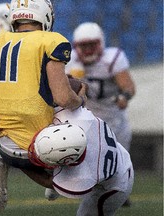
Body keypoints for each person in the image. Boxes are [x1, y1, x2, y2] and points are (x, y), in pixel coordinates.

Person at [0, 0, 87, 210]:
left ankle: (5, 159)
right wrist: (81, 98)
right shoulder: (52, 40)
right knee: (80, 118)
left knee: (28, 156)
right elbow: (64, 98)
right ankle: (56, 179)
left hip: (4, 142)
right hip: (38, 146)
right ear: (45, 15)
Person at [65, 22, 136, 206]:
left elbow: (128, 86)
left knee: (119, 160)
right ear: (76, 46)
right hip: (86, 116)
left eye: (91, 44)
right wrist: (73, 80)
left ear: (100, 43)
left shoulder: (113, 58)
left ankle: (119, 191)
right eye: (84, 45)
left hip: (113, 118)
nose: (88, 50)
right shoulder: (70, 60)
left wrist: (124, 96)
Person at [28, 105, 134, 216]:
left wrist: (14, 161)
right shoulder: (79, 118)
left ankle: (56, 171)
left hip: (115, 185)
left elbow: (48, 182)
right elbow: (76, 96)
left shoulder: (85, 174)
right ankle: (56, 169)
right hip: (117, 153)